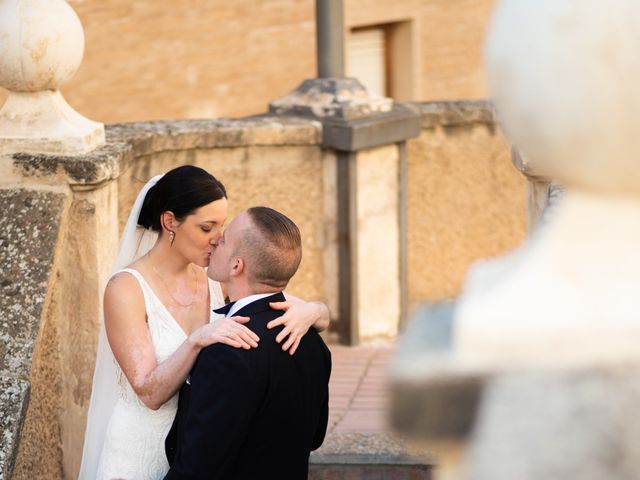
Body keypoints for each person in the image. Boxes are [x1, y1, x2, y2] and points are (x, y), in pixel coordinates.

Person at [79, 166, 330, 480]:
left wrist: (315, 311)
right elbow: (149, 392)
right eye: (206, 227)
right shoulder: (126, 289)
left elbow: (269, 292)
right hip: (142, 447)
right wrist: (196, 339)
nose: (217, 240)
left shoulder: (218, 278)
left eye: (222, 228)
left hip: (204, 447)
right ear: (170, 222)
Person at [164, 207, 332, 480]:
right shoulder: (312, 340)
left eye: (225, 238)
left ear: (236, 266)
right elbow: (314, 437)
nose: (215, 240)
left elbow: (198, 469)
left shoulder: (227, 350)